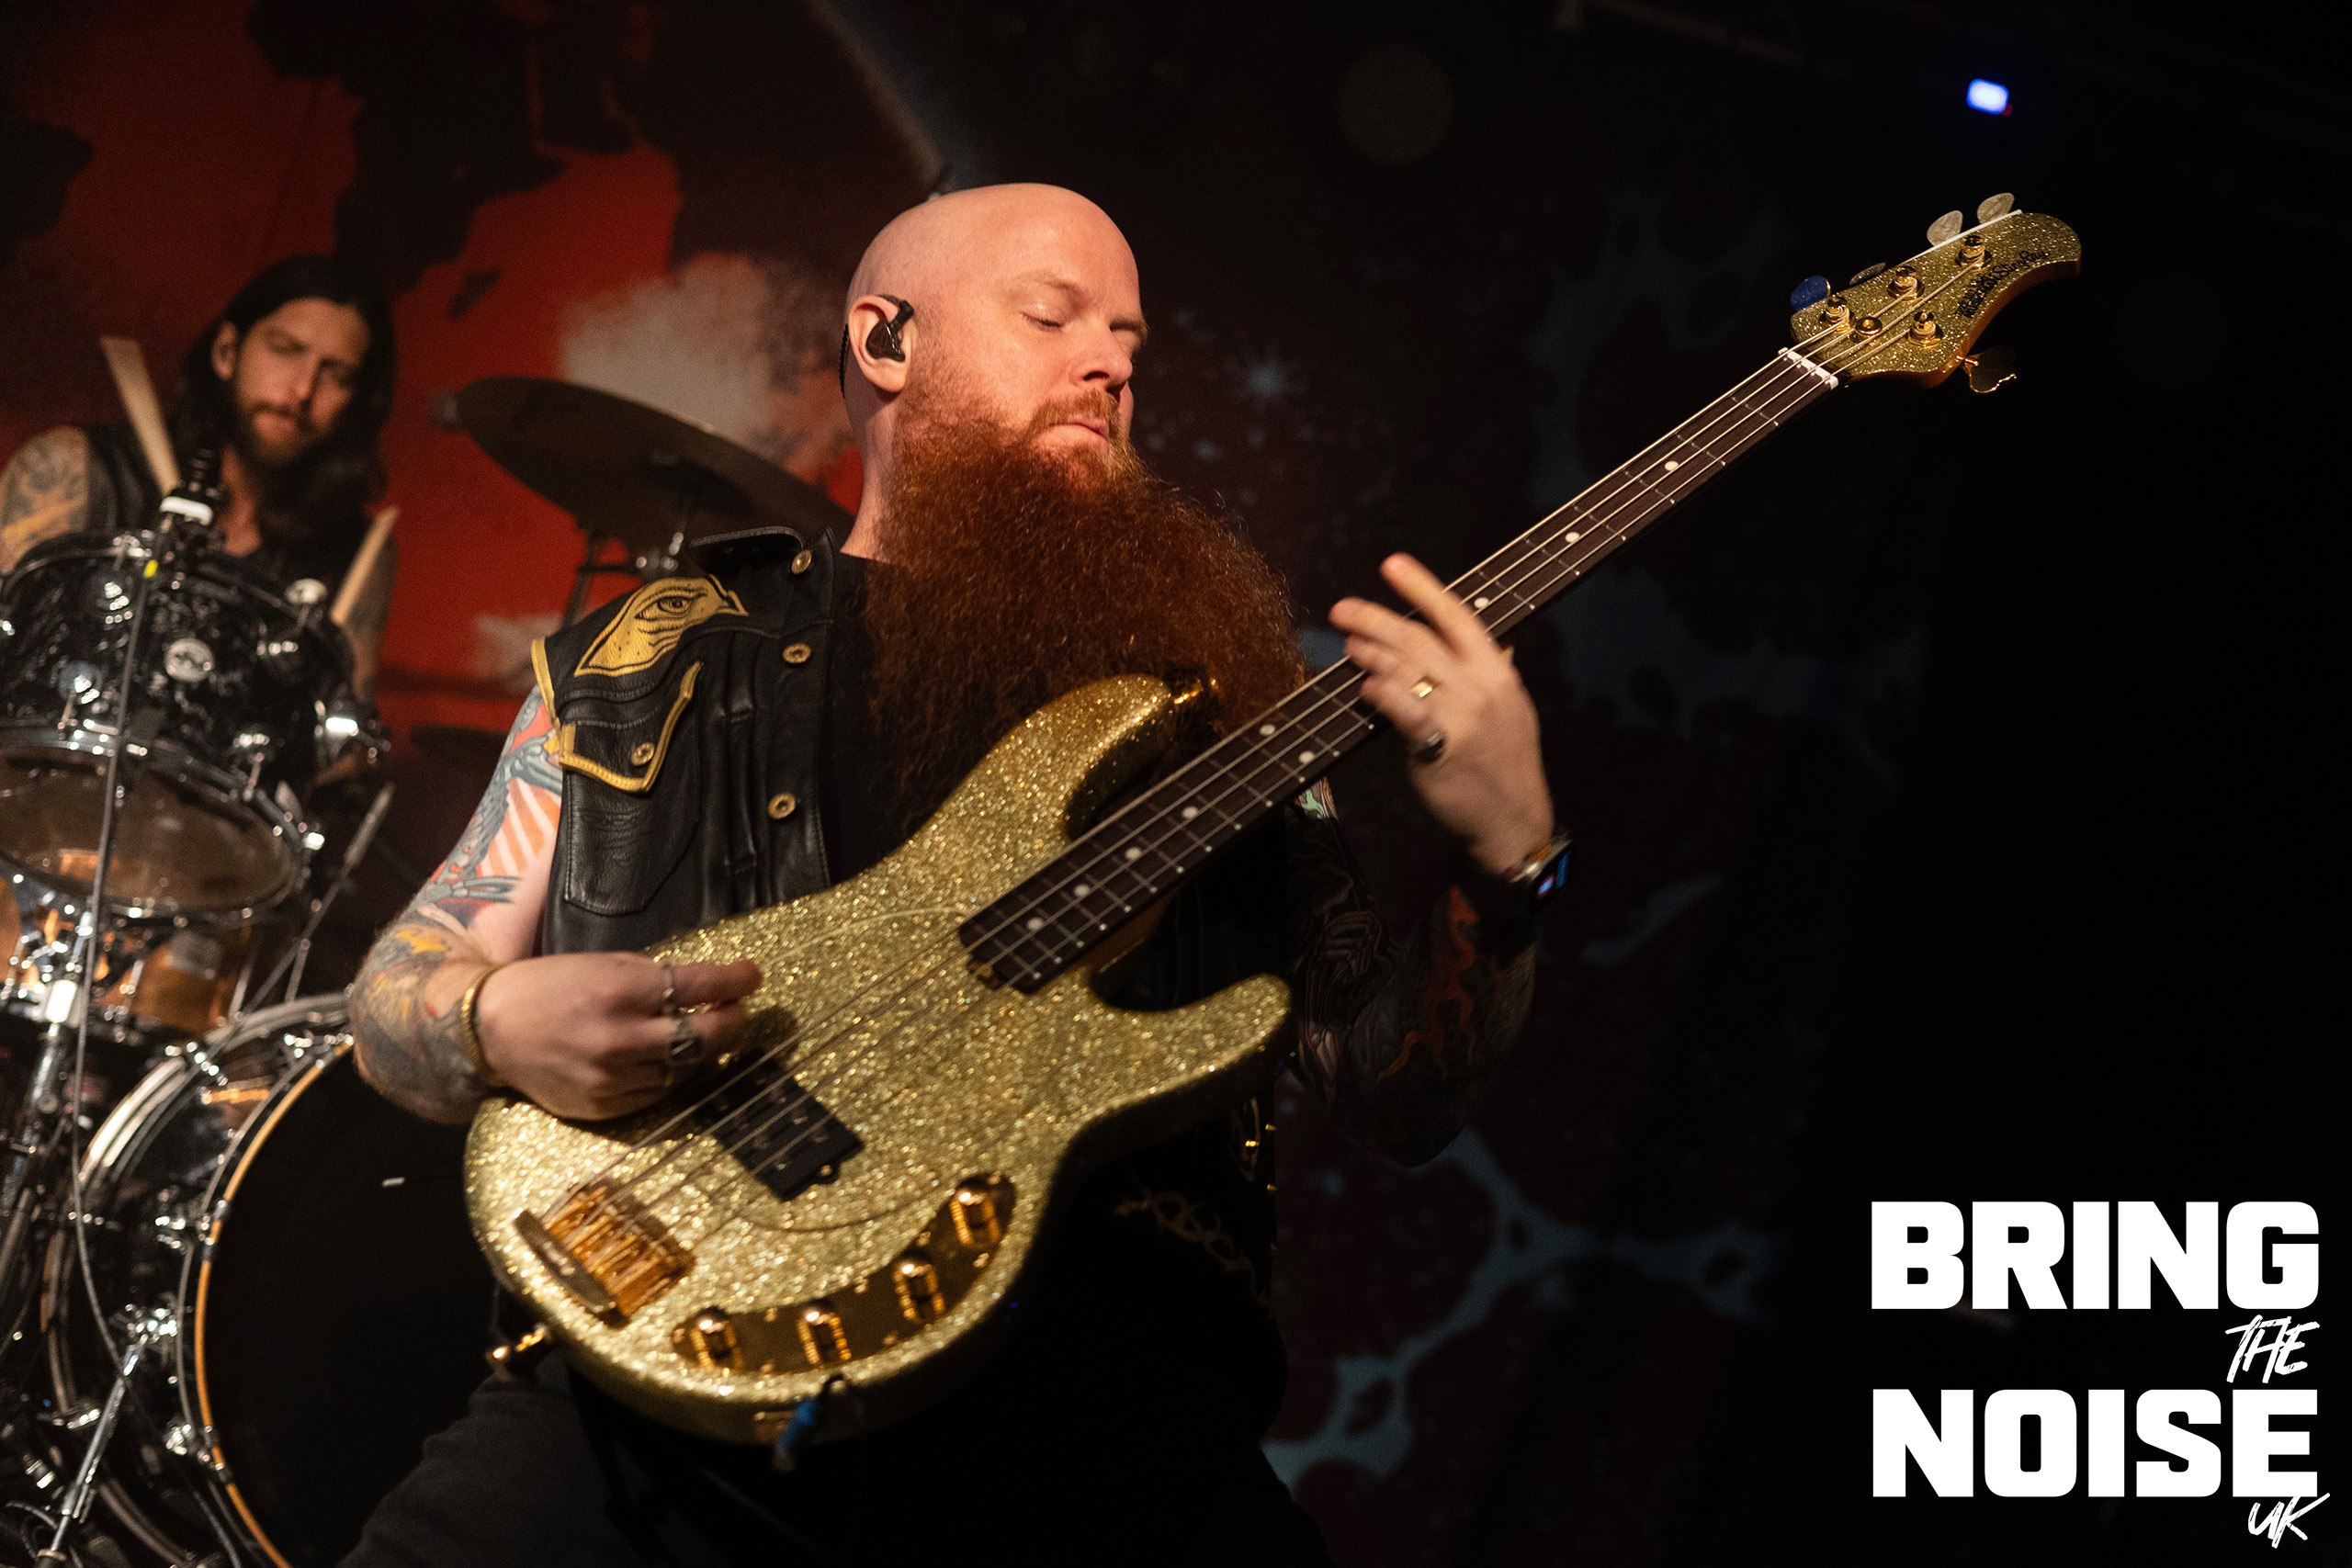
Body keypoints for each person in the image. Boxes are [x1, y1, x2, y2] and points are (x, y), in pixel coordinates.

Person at [344, 184, 1566, 1567]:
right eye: (1052, 317)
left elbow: (1397, 1091)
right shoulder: (655, 653)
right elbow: (397, 988)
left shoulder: (1225, 705)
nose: (1108, 366)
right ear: (886, 339)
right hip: (664, 1381)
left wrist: (1506, 868)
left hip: (1109, 1424)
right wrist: (493, 1018)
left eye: (1128, 342)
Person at [0, 254, 400, 687]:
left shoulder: (353, 553)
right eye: (285, 350)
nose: (303, 390)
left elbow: (344, 722)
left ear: (356, 404)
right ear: (227, 352)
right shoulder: (79, 468)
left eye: (337, 375)